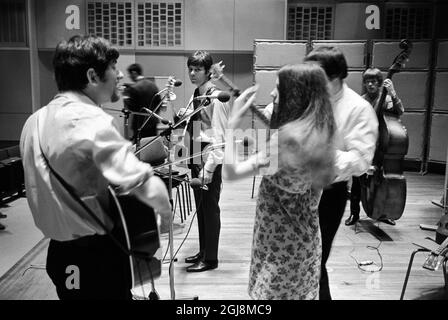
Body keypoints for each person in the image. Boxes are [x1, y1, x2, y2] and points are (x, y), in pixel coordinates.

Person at [19, 35, 171, 300]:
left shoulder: (33, 122)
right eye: (114, 67)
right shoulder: (91, 120)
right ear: (92, 76)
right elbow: (145, 185)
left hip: (60, 255)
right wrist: (165, 213)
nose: (120, 75)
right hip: (97, 258)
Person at [224, 63, 337, 300]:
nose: (273, 94)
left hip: (277, 248)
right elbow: (316, 195)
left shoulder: (283, 142)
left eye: (278, 89)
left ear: (295, 95)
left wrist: (232, 124)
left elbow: (232, 172)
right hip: (306, 244)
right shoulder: (321, 132)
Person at [304, 46, 379, 300]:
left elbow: (361, 160)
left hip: (329, 194)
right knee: (298, 261)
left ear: (333, 77)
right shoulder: (312, 99)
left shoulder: (359, 109)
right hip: (299, 189)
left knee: (314, 261)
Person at [182, 51, 229, 272]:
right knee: (200, 209)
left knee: (210, 210)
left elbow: (219, 138)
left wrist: (208, 169)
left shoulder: (216, 98)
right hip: (195, 156)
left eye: (197, 69)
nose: (192, 73)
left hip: (208, 160)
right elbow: (199, 127)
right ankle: (203, 250)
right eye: (190, 68)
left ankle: (211, 259)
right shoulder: (196, 94)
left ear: (208, 71)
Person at [346, 68, 404, 226]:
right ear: (364, 83)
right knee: (358, 180)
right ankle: (354, 214)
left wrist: (392, 92)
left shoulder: (386, 99)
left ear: (379, 83)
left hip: (382, 147)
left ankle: (384, 212)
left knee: (383, 179)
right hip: (365, 145)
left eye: (374, 81)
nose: (371, 84)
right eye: (368, 81)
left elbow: (400, 112)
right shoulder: (361, 100)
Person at [123, 63, 162, 143]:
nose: (130, 77)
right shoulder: (153, 85)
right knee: (151, 146)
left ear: (134, 73)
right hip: (152, 123)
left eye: (130, 75)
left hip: (139, 125)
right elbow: (159, 104)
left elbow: (132, 108)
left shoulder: (134, 88)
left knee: (140, 149)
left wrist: (125, 97)